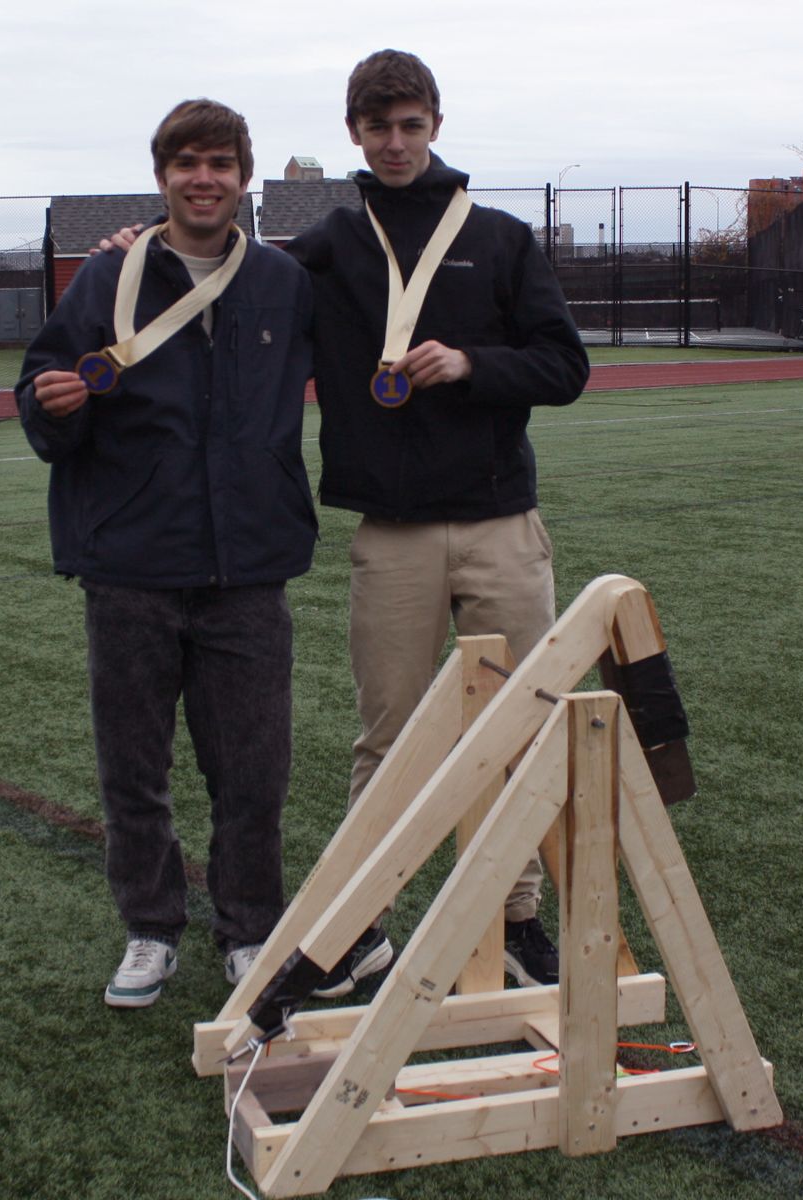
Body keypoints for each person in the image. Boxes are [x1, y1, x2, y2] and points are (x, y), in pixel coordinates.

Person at [286, 50, 590, 995]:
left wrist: (471, 365)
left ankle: (515, 919)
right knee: (387, 738)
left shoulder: (499, 237)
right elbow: (229, 289)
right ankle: (359, 928)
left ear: (436, 124)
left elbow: (565, 367)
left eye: (410, 125)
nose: (395, 143)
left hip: (502, 523)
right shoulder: (331, 242)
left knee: (517, 727)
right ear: (353, 134)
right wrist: (145, 250)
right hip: (395, 533)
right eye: (377, 128)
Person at [15, 99, 317, 1009]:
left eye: (220, 163)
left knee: (253, 773)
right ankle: (149, 931)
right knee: (133, 770)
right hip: (131, 568)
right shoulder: (106, 276)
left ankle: (249, 930)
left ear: (245, 177)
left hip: (247, 570)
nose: (204, 178)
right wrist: (50, 405)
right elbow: (39, 387)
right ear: (162, 177)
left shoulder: (282, 282)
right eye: (186, 162)